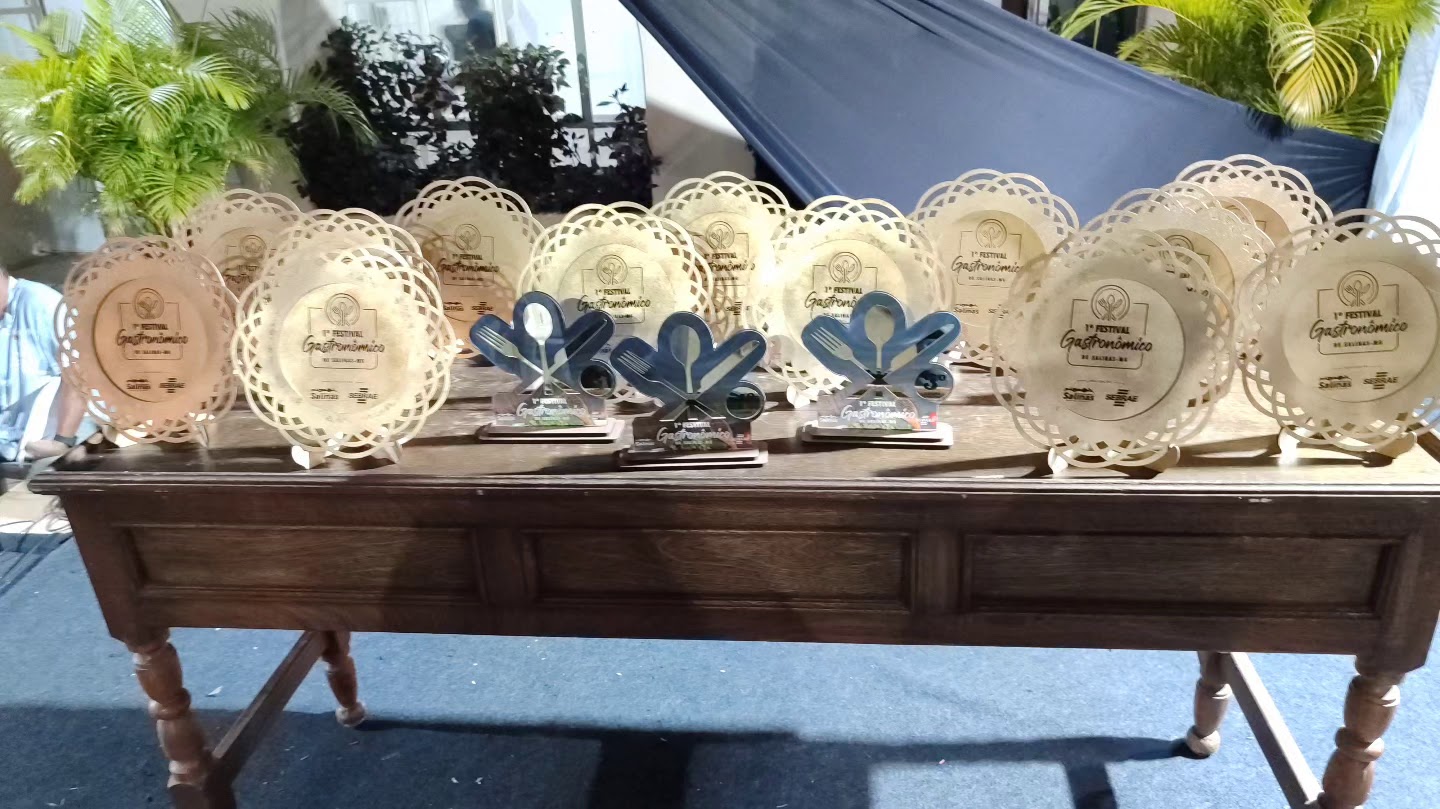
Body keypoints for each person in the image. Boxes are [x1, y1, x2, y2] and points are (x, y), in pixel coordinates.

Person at [0, 263, 89, 463]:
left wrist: (63, 440)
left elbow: (80, 369)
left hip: (48, 446)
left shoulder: (40, 303)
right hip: (10, 446)